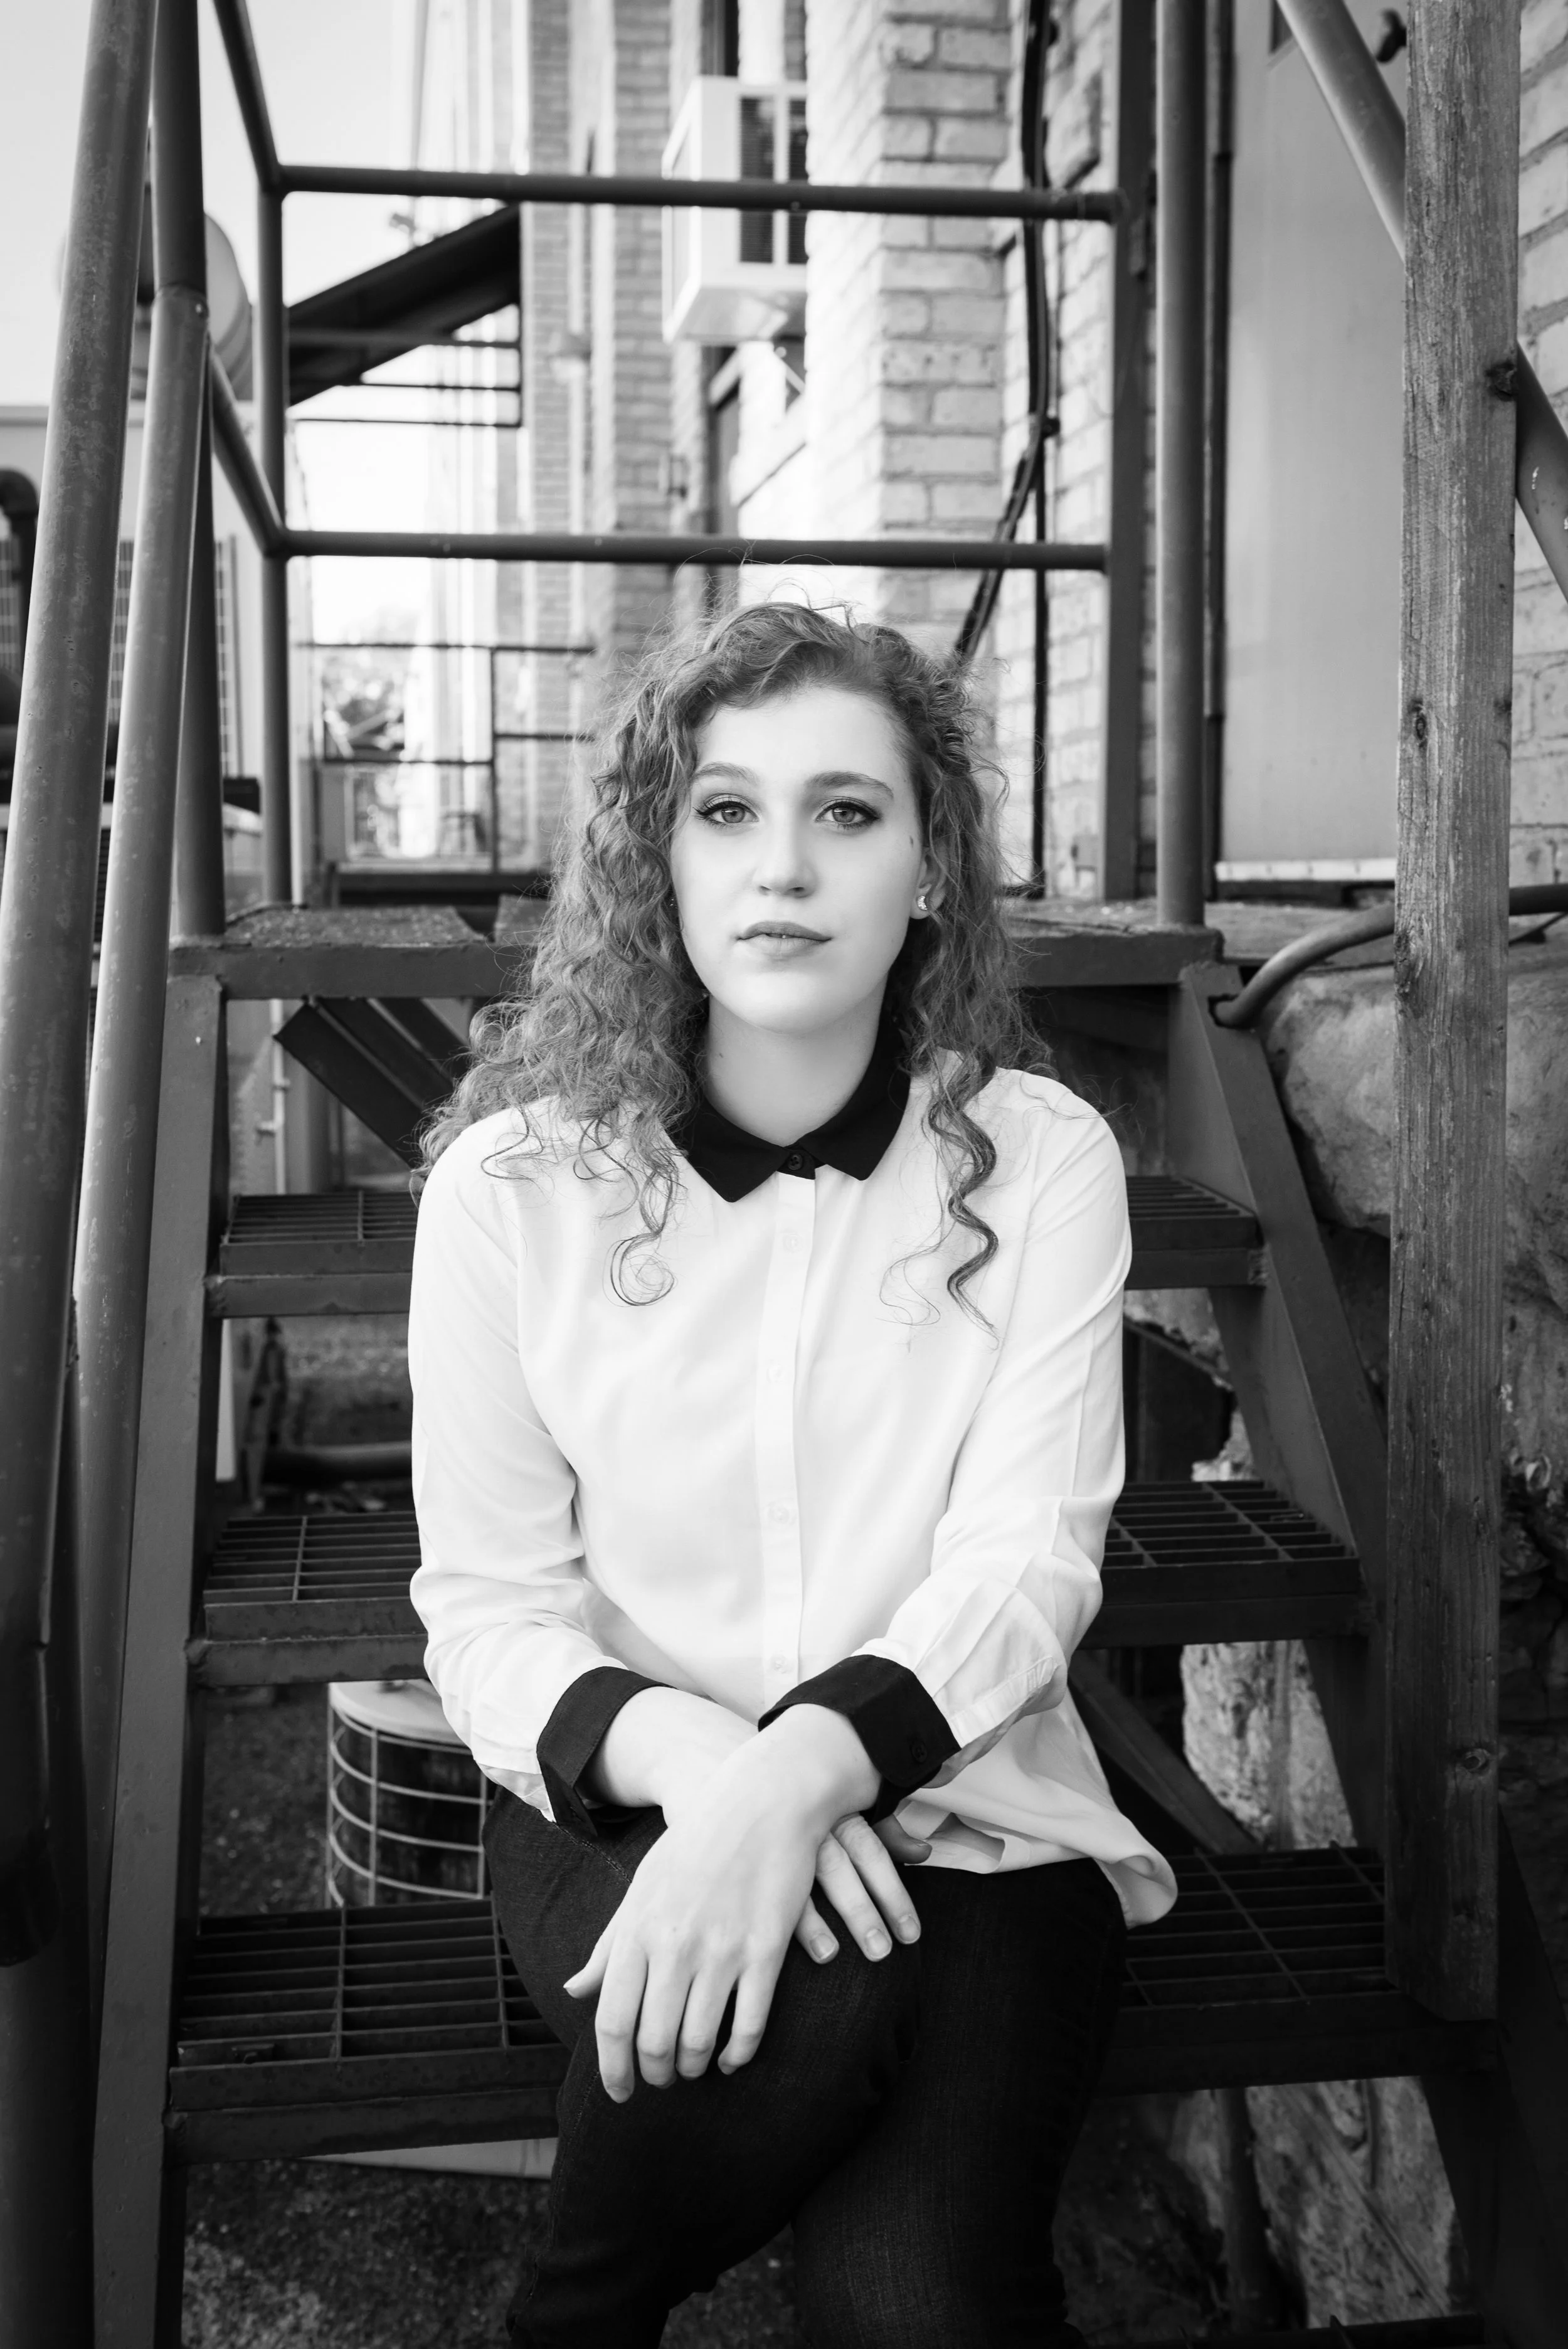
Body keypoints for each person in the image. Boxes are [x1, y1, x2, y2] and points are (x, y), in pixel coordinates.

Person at [408, 601, 1177, 2348]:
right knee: (825, 1985)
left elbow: (1025, 1567)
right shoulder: (510, 1192)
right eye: (724, 809)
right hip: (614, 1799)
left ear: (928, 869)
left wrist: (807, 1775)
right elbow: (487, 1608)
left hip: (978, 1804)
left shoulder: (1040, 1162)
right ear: (655, 865)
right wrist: (722, 1783)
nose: (784, 866)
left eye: (848, 811)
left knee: (919, 2308)